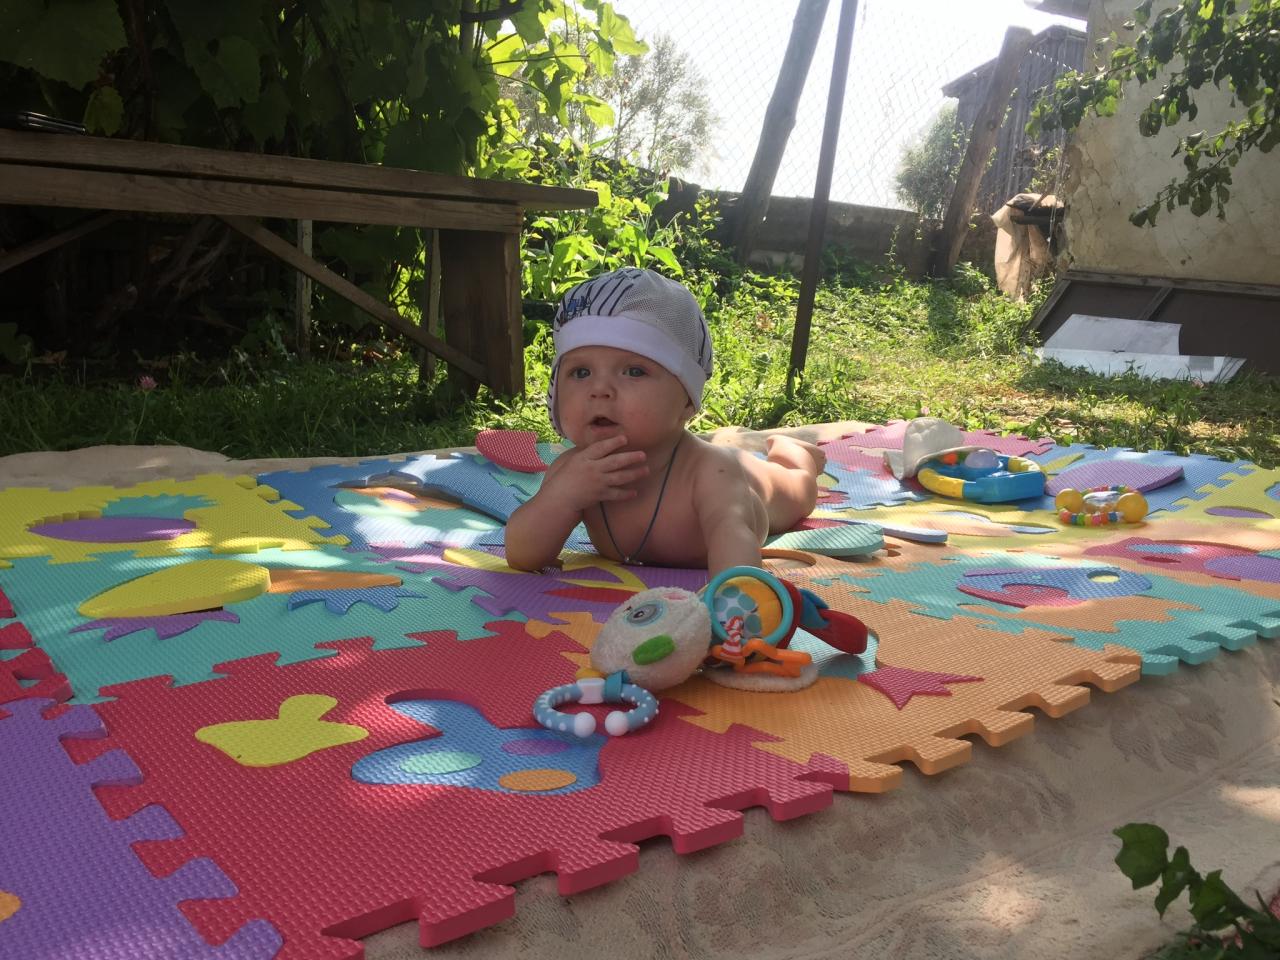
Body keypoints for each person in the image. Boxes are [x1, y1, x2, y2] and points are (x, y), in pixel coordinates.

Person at [505, 267, 825, 575]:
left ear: (687, 399)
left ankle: (793, 454)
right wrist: (562, 497)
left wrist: (735, 595)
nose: (599, 389)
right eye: (581, 372)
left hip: (757, 485)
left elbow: (735, 540)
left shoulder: (710, 472)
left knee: (797, 490)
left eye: (634, 371)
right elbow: (522, 556)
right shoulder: (572, 471)